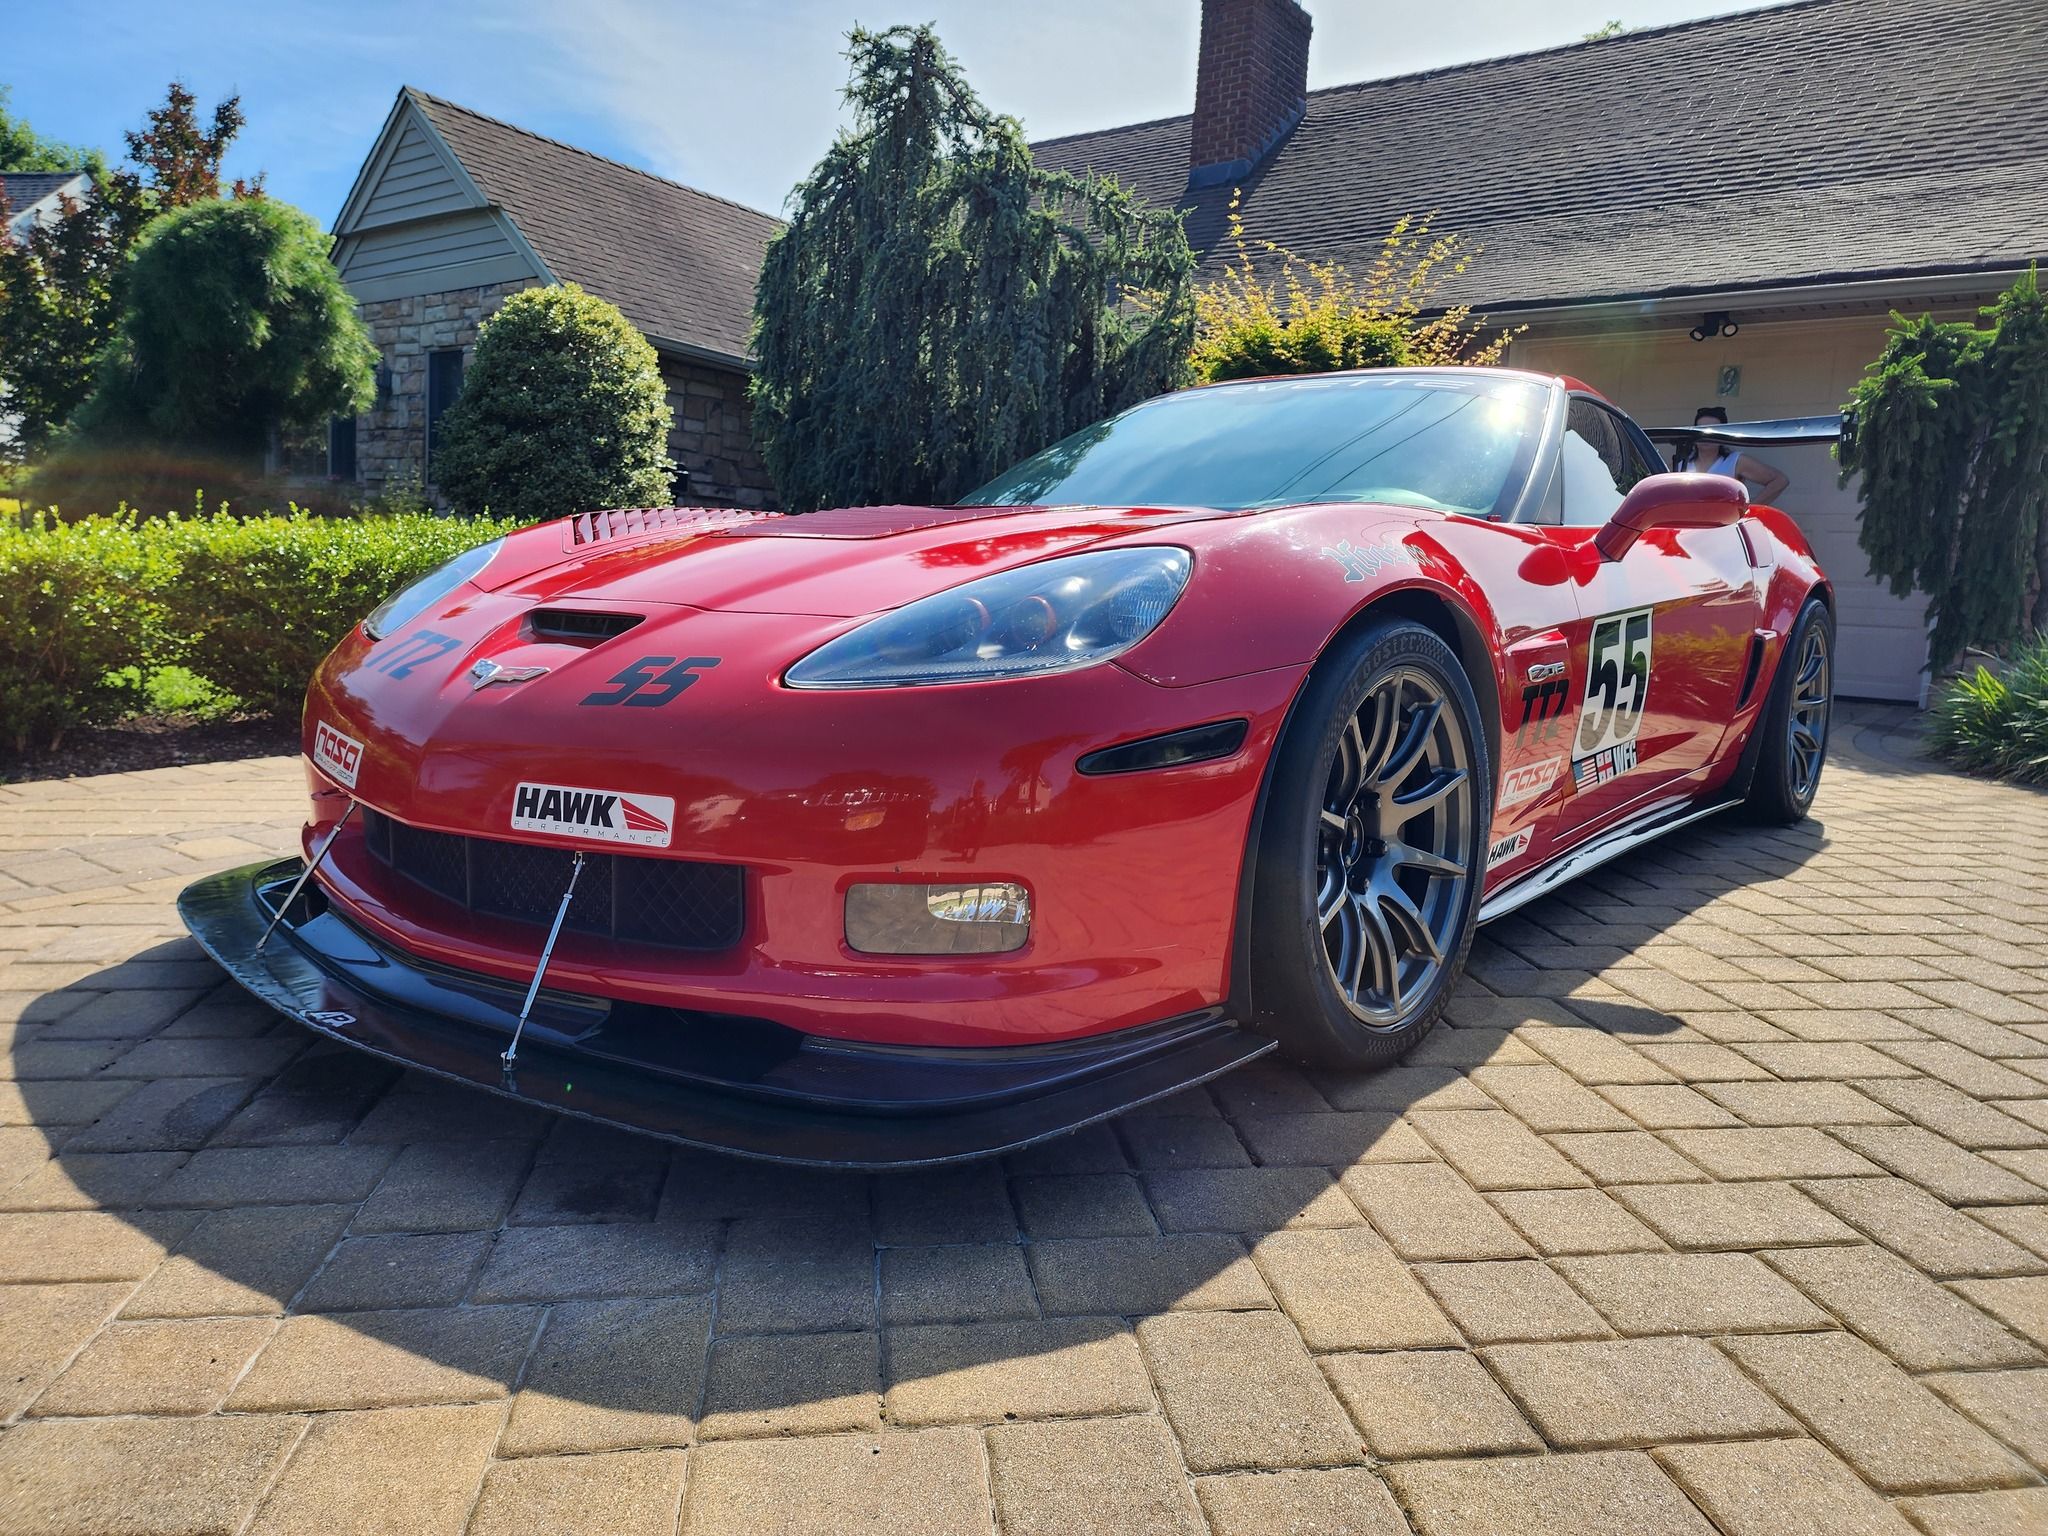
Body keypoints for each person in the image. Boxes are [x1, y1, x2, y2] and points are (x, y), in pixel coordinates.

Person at [1671, 405, 1790, 502]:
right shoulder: (1682, 463)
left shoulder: (1735, 461)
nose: (1705, 435)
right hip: (1689, 525)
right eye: (1701, 429)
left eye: (1712, 430)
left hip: (1724, 526)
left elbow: (1779, 480)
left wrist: (1749, 510)